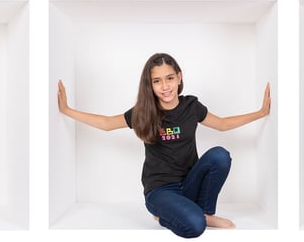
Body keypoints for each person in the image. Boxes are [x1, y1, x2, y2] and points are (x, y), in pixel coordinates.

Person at [57, 52, 271, 238]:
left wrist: (261, 113)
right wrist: (67, 110)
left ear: (179, 77)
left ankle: (206, 214)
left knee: (220, 156)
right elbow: (106, 123)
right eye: (157, 81)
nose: (165, 86)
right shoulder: (144, 112)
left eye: (169, 78)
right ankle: (165, 218)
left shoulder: (191, 106)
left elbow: (223, 124)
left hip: (189, 183)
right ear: (150, 85)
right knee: (194, 227)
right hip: (160, 191)